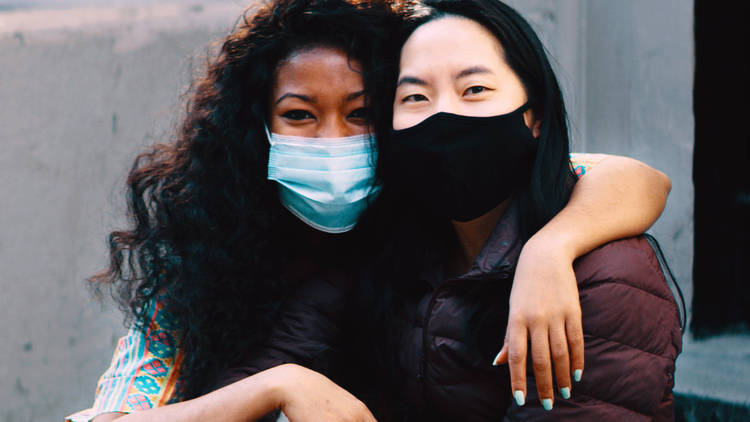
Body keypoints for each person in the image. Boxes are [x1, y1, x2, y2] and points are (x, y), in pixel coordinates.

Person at [65, 0, 673, 421]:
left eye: (359, 115)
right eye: (300, 115)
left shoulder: (412, 218)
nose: (333, 142)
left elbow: (625, 177)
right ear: (256, 131)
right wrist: (278, 388)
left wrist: (550, 249)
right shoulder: (199, 258)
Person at [324, 0, 680, 420]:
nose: (443, 116)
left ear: (535, 117)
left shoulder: (602, 276)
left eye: (474, 90)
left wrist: (547, 250)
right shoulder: (398, 244)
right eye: (415, 96)